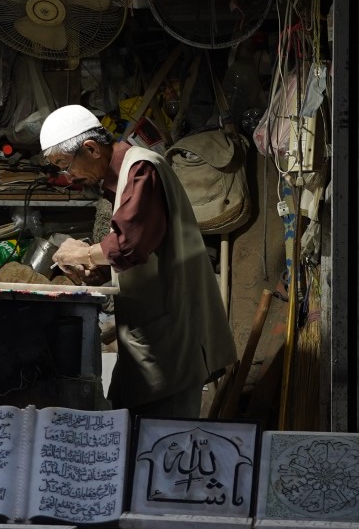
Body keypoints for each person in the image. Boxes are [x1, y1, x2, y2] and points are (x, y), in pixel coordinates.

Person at [38, 104, 237, 419]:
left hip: (173, 337)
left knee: (164, 443)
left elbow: (130, 244)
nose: (69, 176)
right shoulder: (124, 180)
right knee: (130, 422)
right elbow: (137, 252)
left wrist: (83, 252)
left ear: (90, 148)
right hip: (154, 337)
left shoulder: (142, 168)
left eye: (66, 165)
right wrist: (96, 269)